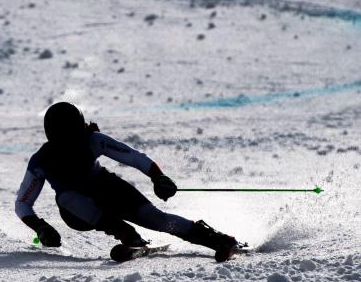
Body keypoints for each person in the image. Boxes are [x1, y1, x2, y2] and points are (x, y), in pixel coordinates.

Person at [14, 102, 240, 262]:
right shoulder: (41, 160)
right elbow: (22, 204)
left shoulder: (92, 140)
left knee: (157, 219)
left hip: (108, 188)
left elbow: (133, 157)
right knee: (66, 196)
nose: (70, 143)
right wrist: (41, 227)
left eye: (73, 135)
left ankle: (218, 240)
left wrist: (158, 177)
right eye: (64, 138)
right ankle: (124, 232)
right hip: (78, 212)